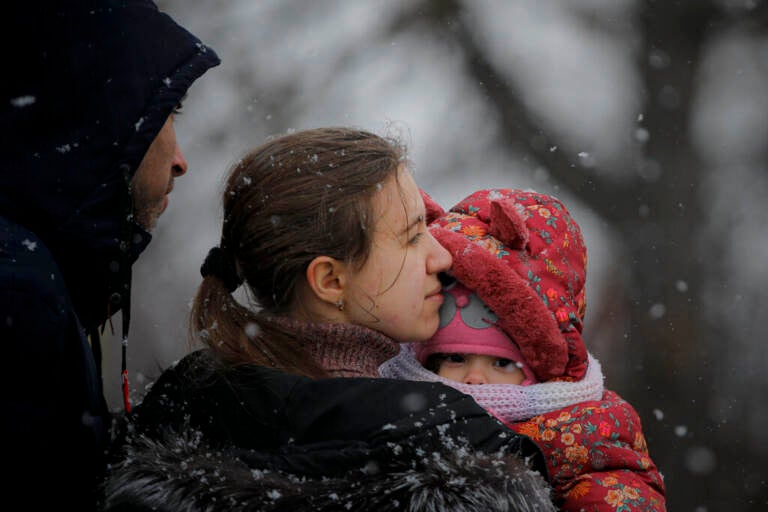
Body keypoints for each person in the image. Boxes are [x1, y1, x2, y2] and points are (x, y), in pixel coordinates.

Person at [104, 128, 557, 511]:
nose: (441, 257)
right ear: (330, 280)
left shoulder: (172, 418)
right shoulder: (456, 443)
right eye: (412, 237)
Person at [0, 1, 220, 509]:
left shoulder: (33, 272)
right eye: (170, 111)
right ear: (104, 113)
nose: (181, 161)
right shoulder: (17, 290)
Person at [379, 188, 668, 511]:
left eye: (501, 363)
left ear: (539, 373)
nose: (475, 378)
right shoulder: (403, 414)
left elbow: (618, 494)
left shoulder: (579, 432)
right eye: (455, 358)